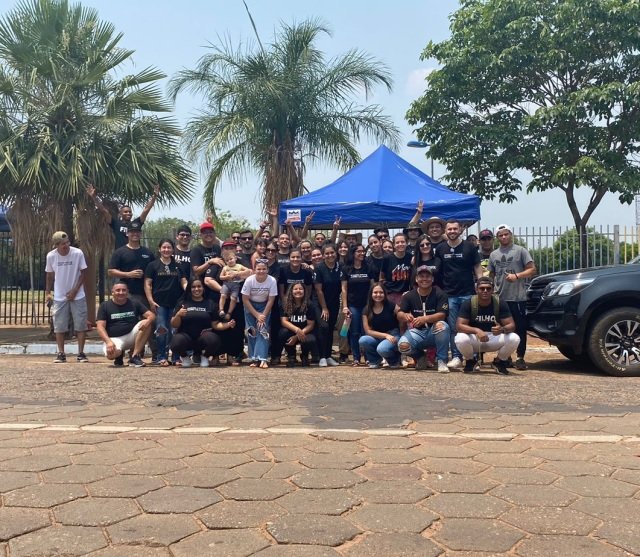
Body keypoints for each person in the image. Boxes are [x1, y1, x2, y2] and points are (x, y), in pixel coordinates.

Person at [435, 219, 482, 370]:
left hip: (468, 293)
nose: (452, 232)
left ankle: (473, 358)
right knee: (454, 327)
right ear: (445, 231)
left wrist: (481, 283)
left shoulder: (470, 247)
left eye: (455, 229)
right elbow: (438, 270)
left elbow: (477, 266)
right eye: (449, 229)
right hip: (449, 294)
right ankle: (457, 357)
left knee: (470, 326)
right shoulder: (440, 248)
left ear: (460, 229)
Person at [489, 223, 536, 370]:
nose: (503, 237)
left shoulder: (521, 251)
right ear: (497, 238)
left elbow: (532, 269)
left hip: (517, 297)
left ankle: (520, 357)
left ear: (511, 234)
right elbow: (491, 274)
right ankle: (505, 357)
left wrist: (517, 276)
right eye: (500, 235)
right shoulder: (493, 254)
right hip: (500, 298)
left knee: (520, 328)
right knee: (502, 328)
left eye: (506, 234)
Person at [455, 277, 519, 375]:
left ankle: (499, 361)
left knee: (514, 338)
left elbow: (512, 325)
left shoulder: (500, 303)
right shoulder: (469, 303)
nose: (485, 291)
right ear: (476, 289)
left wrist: (502, 329)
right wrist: (476, 330)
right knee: (460, 338)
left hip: (494, 337)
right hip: (476, 338)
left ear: (492, 290)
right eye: (482, 288)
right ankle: (470, 361)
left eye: (488, 289)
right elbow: (459, 326)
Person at [170, 277, 236, 368]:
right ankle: (185, 357)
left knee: (214, 340)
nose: (196, 289)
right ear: (189, 289)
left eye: (199, 286)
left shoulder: (210, 303)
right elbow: (174, 324)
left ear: (203, 288)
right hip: (186, 337)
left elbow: (215, 325)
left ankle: (205, 357)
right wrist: (178, 315)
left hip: (203, 337)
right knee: (175, 342)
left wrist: (227, 325)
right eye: (193, 287)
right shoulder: (183, 303)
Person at [45, 231, 89, 364]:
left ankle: (81, 353)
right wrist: (48, 292)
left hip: (78, 294)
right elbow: (49, 275)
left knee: (80, 324)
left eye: (67, 242)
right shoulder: (51, 256)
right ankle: (61, 353)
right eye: (62, 244)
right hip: (60, 295)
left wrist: (75, 290)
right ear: (56, 245)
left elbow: (84, 272)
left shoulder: (77, 253)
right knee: (59, 326)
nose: (66, 246)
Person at [397, 266, 450, 372]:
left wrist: (425, 319)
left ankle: (442, 361)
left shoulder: (440, 294)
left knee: (442, 325)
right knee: (402, 346)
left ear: (432, 279)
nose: (424, 279)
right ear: (416, 279)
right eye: (421, 276)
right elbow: (399, 313)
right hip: (418, 332)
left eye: (427, 276)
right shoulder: (409, 295)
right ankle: (420, 356)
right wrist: (405, 315)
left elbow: (442, 314)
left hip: (434, 332)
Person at [144, 239, 187, 366]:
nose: (166, 250)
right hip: (159, 303)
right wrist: (150, 301)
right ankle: (161, 356)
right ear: (159, 249)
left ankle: (176, 357)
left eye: (169, 247)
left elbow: (183, 281)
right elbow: (147, 284)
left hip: (176, 303)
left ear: (173, 250)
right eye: (164, 247)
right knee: (161, 329)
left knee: (175, 330)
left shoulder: (178, 265)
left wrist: (188, 290)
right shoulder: (152, 265)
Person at [96, 281, 155, 367]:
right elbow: (100, 327)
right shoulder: (105, 306)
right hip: (114, 339)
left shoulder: (135, 303)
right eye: (118, 290)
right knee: (111, 355)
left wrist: (148, 320)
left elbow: (152, 315)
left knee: (147, 323)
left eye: (124, 290)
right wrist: (108, 342)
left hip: (131, 336)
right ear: (112, 292)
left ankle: (134, 357)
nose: (121, 292)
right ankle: (119, 356)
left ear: (127, 292)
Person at [86, 184, 159, 249]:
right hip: (121, 253)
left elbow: (146, 210)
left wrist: (154, 196)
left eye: (130, 212)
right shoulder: (115, 223)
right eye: (125, 212)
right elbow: (104, 211)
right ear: (120, 214)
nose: (128, 213)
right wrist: (94, 197)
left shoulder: (136, 223)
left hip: (135, 253)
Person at [341, 244, 375, 366]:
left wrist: (373, 304)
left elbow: (373, 286)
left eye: (363, 251)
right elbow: (344, 288)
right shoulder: (346, 269)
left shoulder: (369, 267)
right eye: (359, 251)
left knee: (366, 331)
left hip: (366, 305)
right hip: (353, 305)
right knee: (354, 332)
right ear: (353, 253)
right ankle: (356, 357)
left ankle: (368, 357)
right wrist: (345, 306)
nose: (362, 253)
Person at [108, 221, 155, 306]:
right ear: (127, 233)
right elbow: (110, 271)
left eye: (137, 232)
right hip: (127, 293)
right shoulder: (119, 252)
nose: (135, 234)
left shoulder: (148, 252)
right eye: (132, 232)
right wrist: (128, 274)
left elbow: (155, 270)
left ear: (141, 234)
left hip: (146, 294)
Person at [241, 259, 277, 368]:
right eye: (259, 269)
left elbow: (271, 300)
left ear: (267, 270)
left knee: (263, 330)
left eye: (264, 269)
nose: (261, 271)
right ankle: (254, 358)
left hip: (265, 306)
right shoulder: (249, 280)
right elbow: (245, 299)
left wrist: (263, 316)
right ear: (254, 270)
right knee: (252, 331)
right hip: (250, 306)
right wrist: (256, 315)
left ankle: (263, 358)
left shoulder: (272, 280)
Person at [359, 283, 402, 369]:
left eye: (381, 292)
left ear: (385, 294)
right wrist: (385, 335)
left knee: (382, 349)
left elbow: (402, 317)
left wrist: (401, 336)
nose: (378, 295)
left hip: (393, 335)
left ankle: (394, 360)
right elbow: (368, 331)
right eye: (375, 292)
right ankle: (374, 360)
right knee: (363, 340)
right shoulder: (366, 309)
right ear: (371, 294)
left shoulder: (392, 305)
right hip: (377, 336)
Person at [313, 243, 343, 367]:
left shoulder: (340, 267)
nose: (330, 255)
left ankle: (328, 356)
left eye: (332, 253)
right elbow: (318, 290)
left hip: (334, 302)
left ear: (336, 253)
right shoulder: (319, 268)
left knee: (330, 328)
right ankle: (321, 357)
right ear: (323, 255)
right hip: (320, 303)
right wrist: (324, 308)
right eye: (327, 253)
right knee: (323, 327)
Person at [279, 283, 317, 367]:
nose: (298, 291)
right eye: (295, 289)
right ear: (291, 291)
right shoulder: (285, 304)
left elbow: (310, 325)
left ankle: (304, 356)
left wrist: (297, 335)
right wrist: (297, 330)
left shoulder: (309, 305)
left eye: (300, 289)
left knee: (311, 339)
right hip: (291, 331)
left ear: (304, 291)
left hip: (305, 331)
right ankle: (291, 356)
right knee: (282, 333)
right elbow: (284, 321)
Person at [380, 232, 413, 305]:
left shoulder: (410, 257)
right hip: (391, 293)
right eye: (397, 242)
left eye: (402, 242)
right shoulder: (387, 258)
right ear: (394, 245)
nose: (400, 244)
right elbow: (381, 277)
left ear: (407, 243)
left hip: (406, 293)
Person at [218, 250, 252, 321]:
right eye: (227, 260)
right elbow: (220, 277)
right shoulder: (225, 268)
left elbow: (249, 271)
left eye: (231, 259)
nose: (229, 261)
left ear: (235, 258)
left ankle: (229, 312)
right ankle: (221, 310)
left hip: (236, 285)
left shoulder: (239, 266)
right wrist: (227, 277)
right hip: (226, 284)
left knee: (233, 299)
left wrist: (238, 273)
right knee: (223, 295)